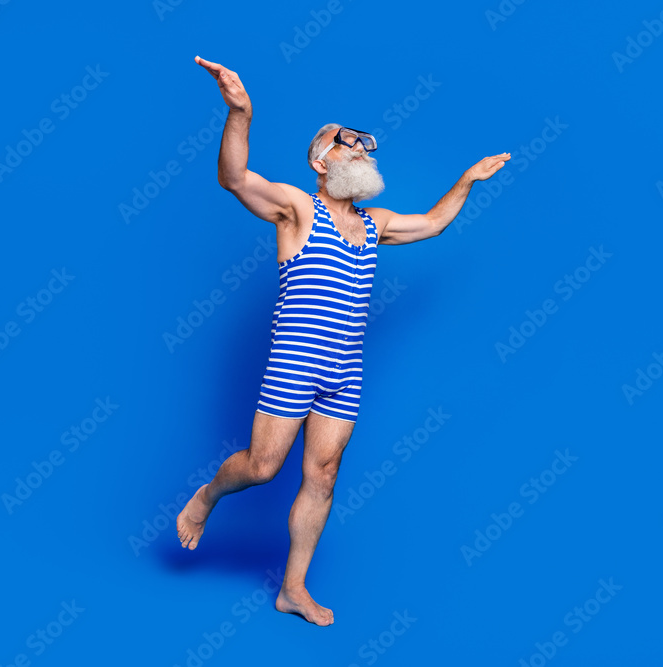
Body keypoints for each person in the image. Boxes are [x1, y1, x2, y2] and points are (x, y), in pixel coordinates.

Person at [176, 55, 511, 627]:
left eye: (365, 145)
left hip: (344, 371)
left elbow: (431, 223)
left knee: (323, 476)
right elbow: (235, 178)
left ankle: (293, 589)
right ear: (320, 159)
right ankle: (207, 496)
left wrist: (467, 180)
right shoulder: (299, 210)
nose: (361, 149)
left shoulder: (375, 224)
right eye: (346, 142)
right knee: (262, 467)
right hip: (294, 363)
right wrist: (239, 112)